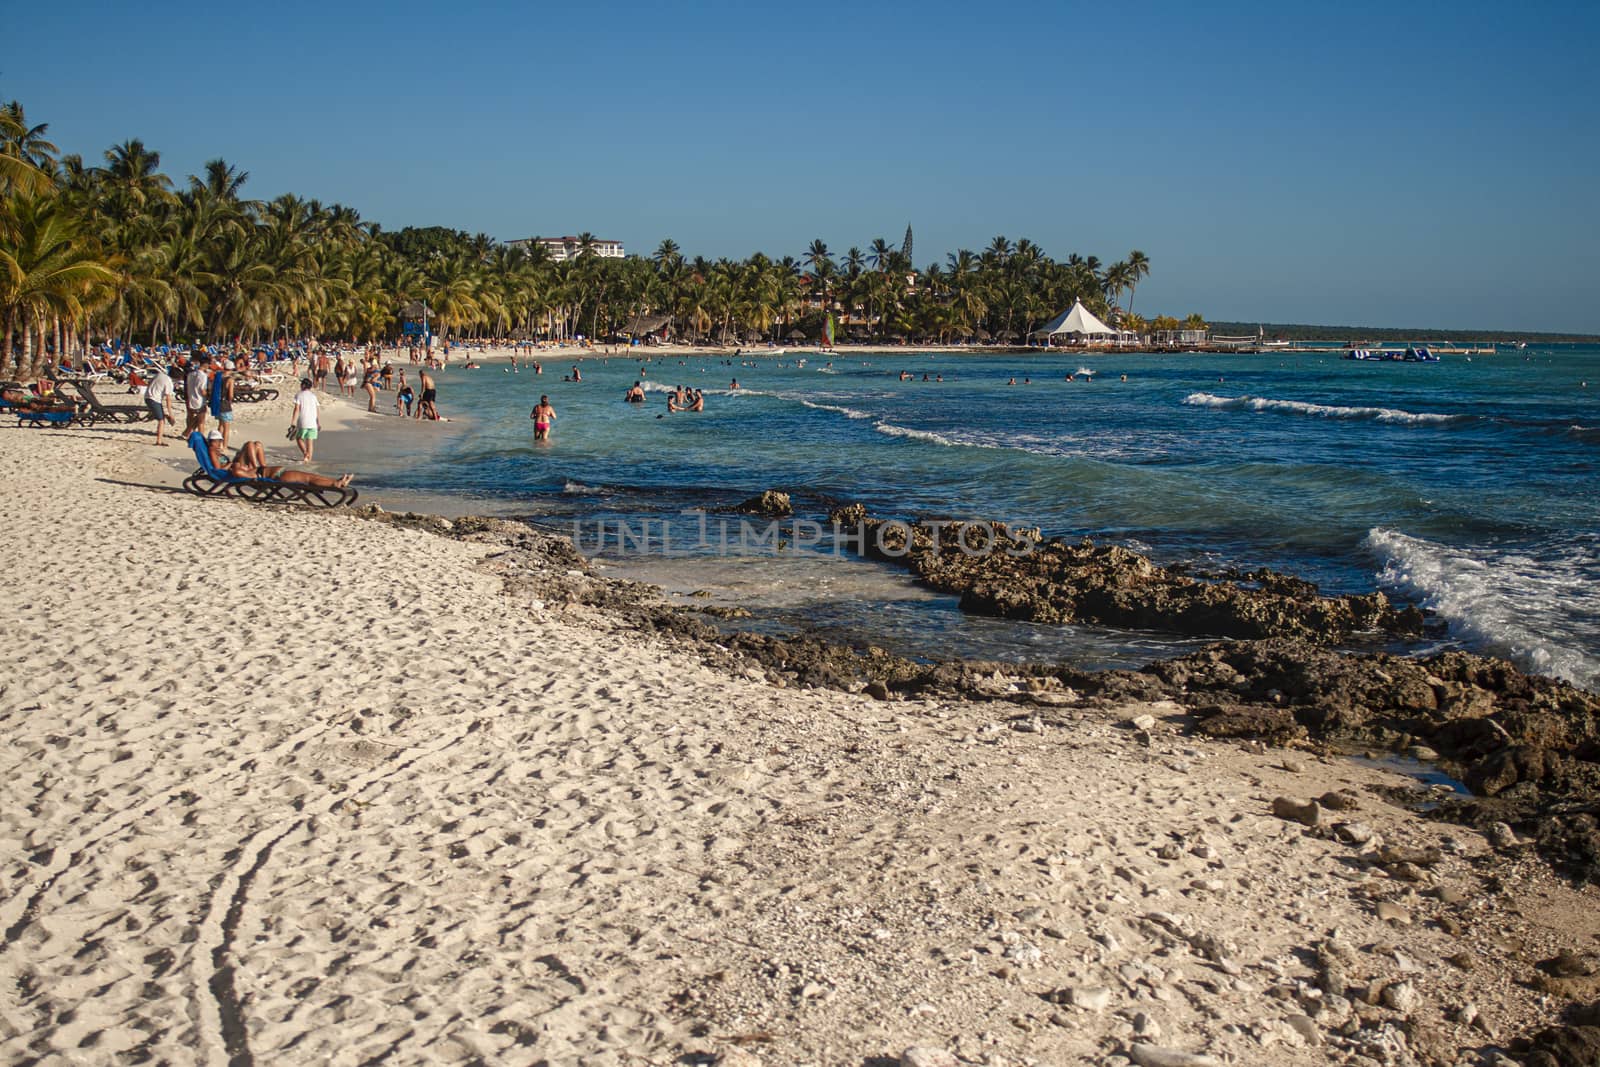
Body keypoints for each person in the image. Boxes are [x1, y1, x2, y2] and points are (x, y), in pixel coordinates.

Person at [208, 431, 353, 488]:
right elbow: (222, 470)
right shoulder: (239, 472)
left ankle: (336, 481)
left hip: (273, 472)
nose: (220, 443)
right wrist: (232, 465)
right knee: (308, 479)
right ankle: (335, 483)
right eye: (218, 441)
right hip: (277, 475)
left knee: (310, 477)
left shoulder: (240, 469)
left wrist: (236, 464)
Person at [144, 364, 176, 446]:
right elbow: (168, 399)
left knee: (161, 416)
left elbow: (150, 382)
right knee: (161, 421)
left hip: (148, 397)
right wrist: (171, 414)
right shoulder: (169, 382)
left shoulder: (160, 374)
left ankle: (159, 416)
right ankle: (159, 441)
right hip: (154, 399)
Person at [291, 377, 320, 461]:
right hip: (313, 422)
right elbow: (317, 410)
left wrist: (293, 422)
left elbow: (297, 409)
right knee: (310, 442)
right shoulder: (313, 396)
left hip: (303, 421)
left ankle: (305, 453)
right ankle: (309, 460)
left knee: (299, 438)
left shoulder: (299, 395)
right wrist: (318, 423)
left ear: (303, 385)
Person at [184, 355, 211, 435]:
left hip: (190, 398)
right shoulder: (203, 376)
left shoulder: (190, 374)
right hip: (199, 400)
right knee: (201, 422)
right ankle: (200, 437)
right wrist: (209, 395)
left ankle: (188, 432)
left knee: (190, 417)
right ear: (206, 365)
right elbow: (202, 390)